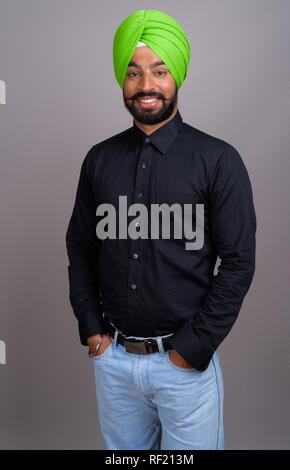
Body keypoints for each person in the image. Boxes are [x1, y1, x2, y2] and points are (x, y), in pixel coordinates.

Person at [65, 9, 256, 450]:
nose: (146, 85)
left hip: (184, 365)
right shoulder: (99, 159)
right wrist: (91, 326)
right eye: (133, 72)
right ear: (122, 79)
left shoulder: (218, 160)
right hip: (112, 361)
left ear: (177, 76)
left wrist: (194, 346)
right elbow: (80, 246)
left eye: (159, 70)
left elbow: (239, 262)